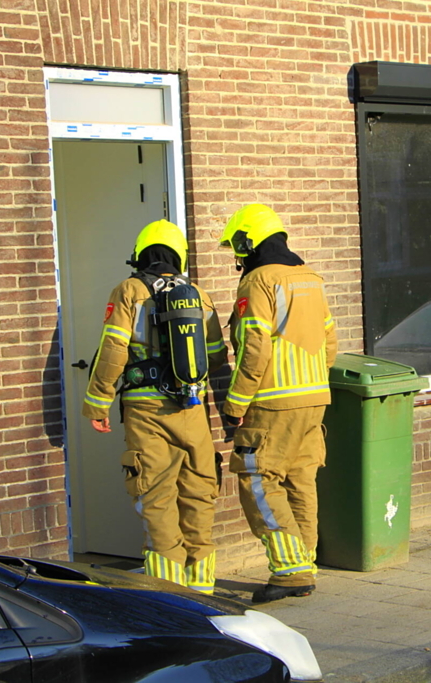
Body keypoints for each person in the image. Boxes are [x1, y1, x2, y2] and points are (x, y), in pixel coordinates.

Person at [82, 219, 228, 594]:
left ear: (140, 254)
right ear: (179, 255)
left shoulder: (129, 290)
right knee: (198, 490)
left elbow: (114, 349)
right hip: (193, 407)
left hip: (146, 408)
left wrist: (98, 402)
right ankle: (202, 588)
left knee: (156, 494)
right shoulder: (198, 293)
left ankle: (167, 591)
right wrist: (227, 409)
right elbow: (216, 356)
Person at [218, 203, 338, 603]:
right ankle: (303, 563)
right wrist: (311, 380)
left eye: (237, 245)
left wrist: (235, 405)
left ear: (249, 241)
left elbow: (253, 349)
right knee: (301, 482)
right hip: (315, 398)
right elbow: (330, 343)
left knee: (258, 481)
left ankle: (289, 574)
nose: (237, 255)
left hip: (271, 403)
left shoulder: (259, 281)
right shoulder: (311, 278)